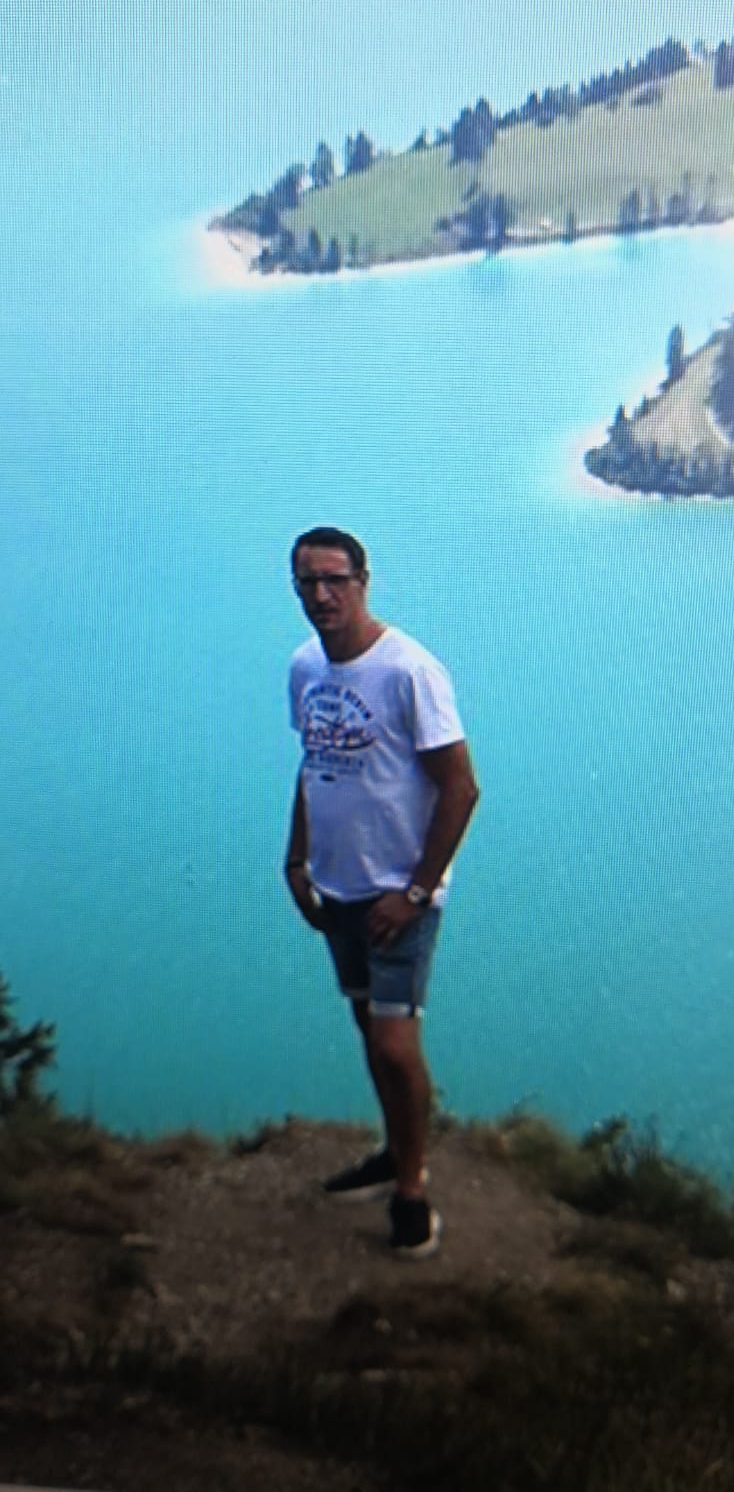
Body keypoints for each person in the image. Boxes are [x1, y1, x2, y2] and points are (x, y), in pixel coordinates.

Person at [285, 527, 479, 1258]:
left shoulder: (409, 671)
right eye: (308, 582)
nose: (322, 594)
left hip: (399, 896)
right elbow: (314, 764)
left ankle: (412, 1192)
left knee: (396, 1045)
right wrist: (297, 858)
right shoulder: (305, 667)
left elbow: (460, 787)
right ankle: (397, 1152)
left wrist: (418, 891)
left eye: (335, 579)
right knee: (370, 1028)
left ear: (364, 582)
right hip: (337, 885)